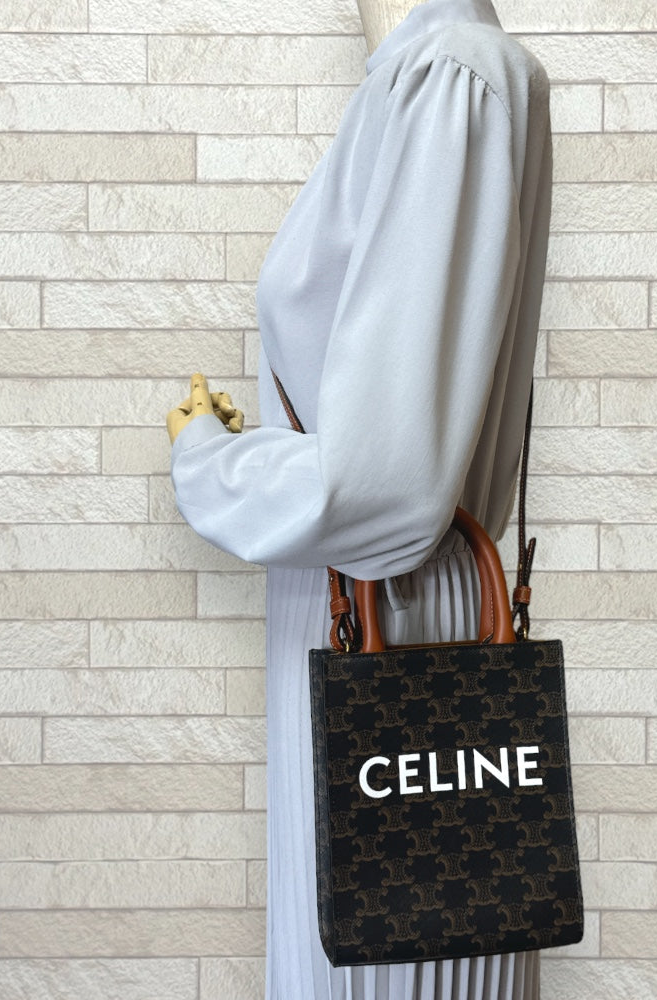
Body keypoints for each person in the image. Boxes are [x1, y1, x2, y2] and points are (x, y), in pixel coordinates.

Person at [167, 0, 553, 996]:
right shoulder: (427, 77)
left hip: (396, 623)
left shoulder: (451, 77)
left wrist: (211, 460)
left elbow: (386, 494)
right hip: (373, 617)